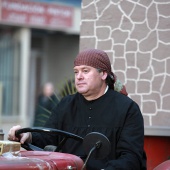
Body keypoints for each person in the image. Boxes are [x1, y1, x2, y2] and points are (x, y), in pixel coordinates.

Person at [8, 49, 146, 170]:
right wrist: (27, 135)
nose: (79, 76)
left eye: (85, 71)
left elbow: (131, 158)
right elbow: (48, 137)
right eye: (76, 72)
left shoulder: (127, 108)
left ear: (103, 74)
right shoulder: (66, 104)